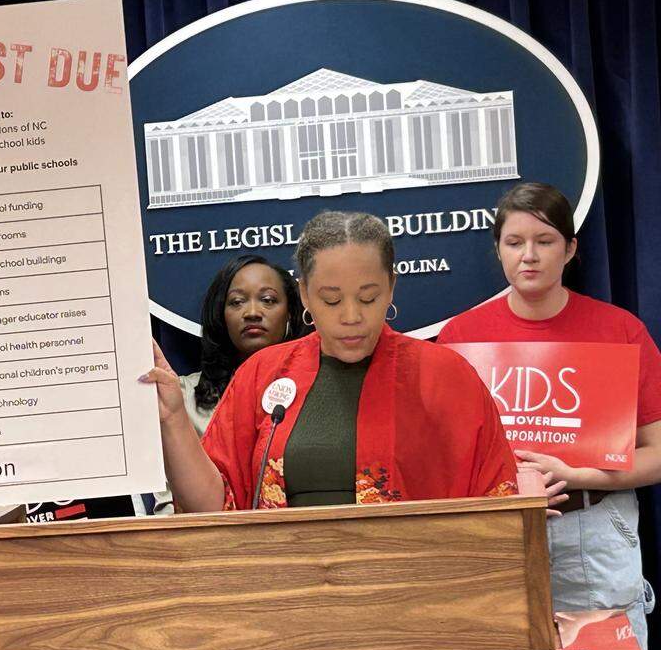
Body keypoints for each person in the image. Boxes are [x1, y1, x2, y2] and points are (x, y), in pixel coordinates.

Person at [437, 181, 661, 650]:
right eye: (514, 242)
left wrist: (580, 474)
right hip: (502, 541)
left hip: (600, 528)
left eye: (543, 242)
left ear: (571, 249)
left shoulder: (618, 330)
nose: (528, 256)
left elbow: (657, 452)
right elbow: (449, 459)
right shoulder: (462, 337)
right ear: (497, 251)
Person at [143, 210, 525, 514]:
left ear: (391, 286)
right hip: (289, 598)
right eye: (331, 299)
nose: (351, 315)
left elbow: (497, 504)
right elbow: (213, 507)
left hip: (413, 595)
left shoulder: (446, 376)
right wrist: (174, 418)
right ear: (304, 295)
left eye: (368, 297)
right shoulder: (263, 375)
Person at [153, 254, 303, 514]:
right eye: (237, 302)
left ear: (290, 313)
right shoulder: (180, 397)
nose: (253, 312)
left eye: (268, 300)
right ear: (221, 316)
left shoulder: (316, 386)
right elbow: (169, 508)